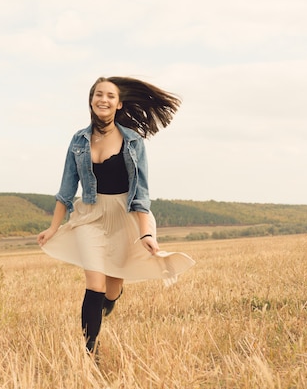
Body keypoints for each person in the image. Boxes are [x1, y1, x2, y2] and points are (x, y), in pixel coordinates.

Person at [37, 76, 195, 355]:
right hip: (90, 216)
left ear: (119, 104)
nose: (103, 99)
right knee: (94, 284)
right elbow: (66, 188)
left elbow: (141, 192)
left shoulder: (133, 141)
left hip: (125, 217)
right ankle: (89, 353)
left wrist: (145, 231)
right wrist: (53, 228)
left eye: (110, 96)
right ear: (91, 100)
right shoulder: (78, 140)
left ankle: (111, 300)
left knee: (112, 287)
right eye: (99, 94)